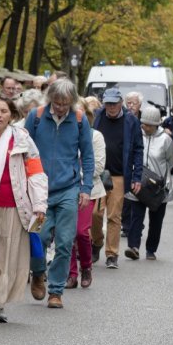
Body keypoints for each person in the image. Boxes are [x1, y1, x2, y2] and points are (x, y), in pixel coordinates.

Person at [0, 96, 47, 320]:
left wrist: (40, 203)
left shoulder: (23, 139)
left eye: (3, 111)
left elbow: (35, 172)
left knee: (6, 256)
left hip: (15, 206)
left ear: (11, 114)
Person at [25, 78, 91, 309]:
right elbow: (24, 150)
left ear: (72, 102)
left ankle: (55, 290)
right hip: (39, 189)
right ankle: (38, 272)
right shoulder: (36, 117)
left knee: (64, 242)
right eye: (57, 102)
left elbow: (88, 156)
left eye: (65, 103)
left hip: (68, 189)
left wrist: (86, 188)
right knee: (39, 238)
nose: (61, 107)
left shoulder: (80, 120)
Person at [92, 88, 143, 269]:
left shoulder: (131, 121)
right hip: (97, 174)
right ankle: (96, 242)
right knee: (95, 214)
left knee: (114, 216)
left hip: (119, 175)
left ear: (121, 102)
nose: (111, 107)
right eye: (108, 103)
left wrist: (137, 176)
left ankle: (112, 254)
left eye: (114, 103)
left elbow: (138, 149)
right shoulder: (97, 116)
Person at [124, 105, 173, 261]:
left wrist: (162, 179)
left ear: (155, 125)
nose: (143, 126)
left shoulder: (165, 139)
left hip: (158, 186)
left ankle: (151, 250)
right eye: (142, 123)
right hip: (138, 182)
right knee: (136, 217)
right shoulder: (136, 135)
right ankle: (133, 247)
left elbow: (170, 161)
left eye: (147, 124)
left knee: (156, 220)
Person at [68, 96, 106, 290]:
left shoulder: (95, 136)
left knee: (81, 232)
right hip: (65, 189)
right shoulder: (63, 134)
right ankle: (71, 274)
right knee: (66, 234)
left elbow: (98, 166)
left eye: (79, 112)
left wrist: (73, 172)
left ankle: (86, 266)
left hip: (88, 189)